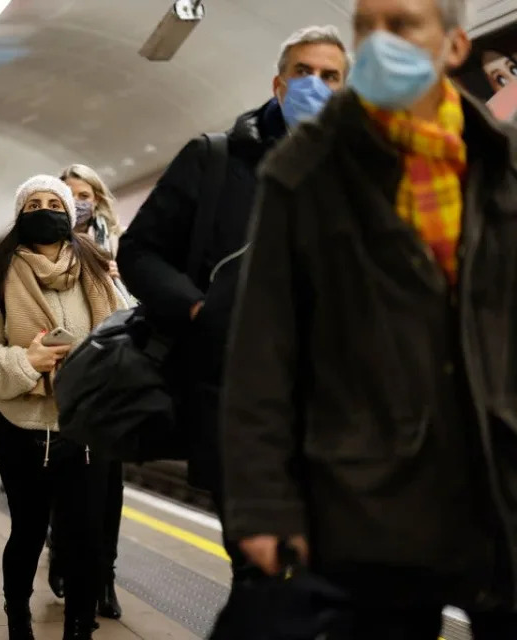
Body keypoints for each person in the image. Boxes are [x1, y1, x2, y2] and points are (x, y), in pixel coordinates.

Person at [221, 0, 517, 636]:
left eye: (404, 25)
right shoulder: (304, 173)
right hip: (367, 494)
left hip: (499, 479)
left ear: (456, 46)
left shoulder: (500, 165)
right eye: (368, 27)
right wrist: (263, 505)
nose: (381, 43)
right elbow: (263, 353)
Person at [117, 23, 348, 633]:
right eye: (304, 72)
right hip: (238, 403)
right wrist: (199, 309)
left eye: (332, 77)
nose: (316, 86)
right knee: (263, 571)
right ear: (278, 83)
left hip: (339, 406)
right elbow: (138, 252)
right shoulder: (216, 159)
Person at [0, 175, 125, 640]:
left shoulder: (96, 268)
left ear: (69, 213)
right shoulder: (2, 271)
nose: (44, 208)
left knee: (84, 542)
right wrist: (27, 361)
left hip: (86, 429)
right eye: (33, 203)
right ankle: (19, 622)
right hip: (24, 431)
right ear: (20, 216)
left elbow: (126, 332)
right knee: (28, 534)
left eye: (53, 201)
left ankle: (80, 627)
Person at [46, 164, 127, 619]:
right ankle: (61, 551)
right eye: (71, 193)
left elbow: (138, 312)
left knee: (109, 486)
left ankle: (104, 576)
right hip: (63, 382)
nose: (80, 201)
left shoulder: (119, 246)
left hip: (110, 382)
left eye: (88, 194)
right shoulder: (43, 243)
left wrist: (119, 276)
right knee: (66, 481)